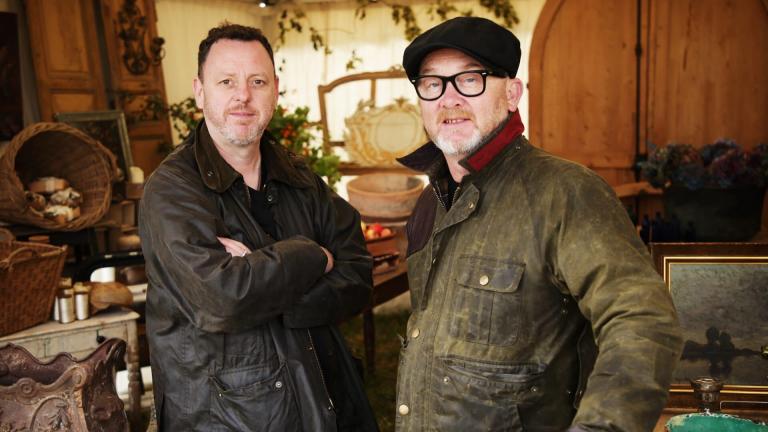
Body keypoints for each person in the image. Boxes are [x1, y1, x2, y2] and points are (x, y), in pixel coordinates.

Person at [394, 17, 683, 431]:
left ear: (512, 94)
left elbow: (642, 320)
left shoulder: (565, 192)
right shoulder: (430, 202)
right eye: (432, 83)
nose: (448, 99)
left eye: (470, 80)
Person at [139, 23, 378, 431]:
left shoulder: (298, 178)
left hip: (324, 401)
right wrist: (314, 255)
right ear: (200, 91)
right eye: (226, 81)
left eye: (257, 81)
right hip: (226, 417)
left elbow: (357, 273)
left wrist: (264, 287)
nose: (243, 96)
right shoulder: (172, 191)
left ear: (275, 90)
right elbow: (223, 299)